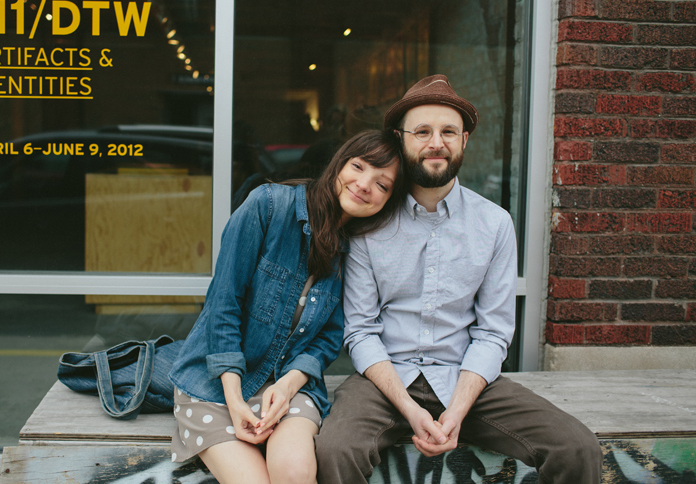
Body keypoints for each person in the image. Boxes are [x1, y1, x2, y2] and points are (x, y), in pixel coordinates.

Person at [315, 76, 603, 484]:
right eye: (422, 132)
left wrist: (457, 410)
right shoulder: (370, 224)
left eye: (448, 131)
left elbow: (493, 332)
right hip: (384, 381)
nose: (436, 142)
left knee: (576, 447)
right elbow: (360, 330)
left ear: (464, 141)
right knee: (334, 449)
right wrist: (412, 410)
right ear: (401, 141)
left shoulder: (495, 223)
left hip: (465, 378)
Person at [169, 130, 407, 484]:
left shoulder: (356, 249)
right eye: (357, 166)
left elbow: (329, 337)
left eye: (382, 184)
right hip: (216, 385)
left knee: (294, 474)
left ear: (388, 200)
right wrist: (234, 401)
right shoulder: (267, 205)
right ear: (339, 163)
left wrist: (288, 386)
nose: (363, 184)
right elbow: (223, 307)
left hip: (289, 385)